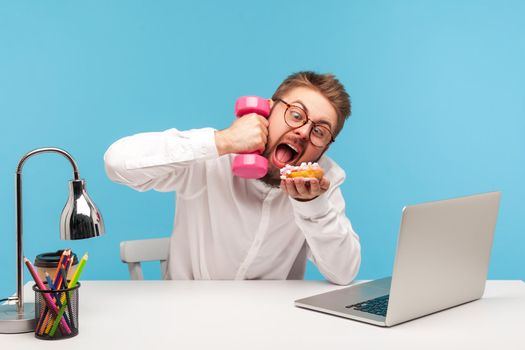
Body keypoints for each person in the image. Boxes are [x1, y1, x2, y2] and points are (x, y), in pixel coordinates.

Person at [104, 71, 360, 285]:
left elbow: (343, 273)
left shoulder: (321, 183)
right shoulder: (210, 157)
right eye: (295, 115)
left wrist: (312, 206)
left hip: (270, 324)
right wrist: (220, 141)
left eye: (319, 131)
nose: (303, 131)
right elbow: (116, 163)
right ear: (266, 110)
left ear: (324, 148)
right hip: (188, 317)